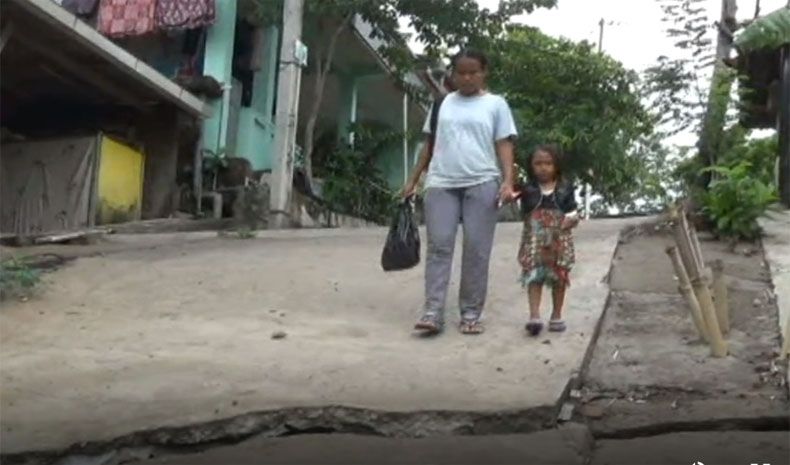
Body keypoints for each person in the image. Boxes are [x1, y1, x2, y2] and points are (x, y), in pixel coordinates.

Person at [402, 49, 518, 335]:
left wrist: (508, 181)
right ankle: (432, 312)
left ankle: (470, 313)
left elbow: (504, 144)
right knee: (439, 247)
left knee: (476, 250)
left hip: (482, 182)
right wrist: (413, 180)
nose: (467, 77)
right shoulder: (442, 104)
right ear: (453, 74)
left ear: (483, 72)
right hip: (441, 183)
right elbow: (429, 146)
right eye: (461, 72)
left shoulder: (496, 104)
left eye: (473, 72)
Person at [518, 144, 580, 337]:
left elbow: (573, 211)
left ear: (556, 165)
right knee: (534, 275)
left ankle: (556, 314)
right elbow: (522, 210)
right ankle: (534, 316)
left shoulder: (565, 188)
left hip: (559, 238)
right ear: (531, 166)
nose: (543, 168)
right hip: (535, 239)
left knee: (559, 276)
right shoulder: (527, 189)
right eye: (538, 163)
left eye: (548, 163)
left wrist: (573, 219)